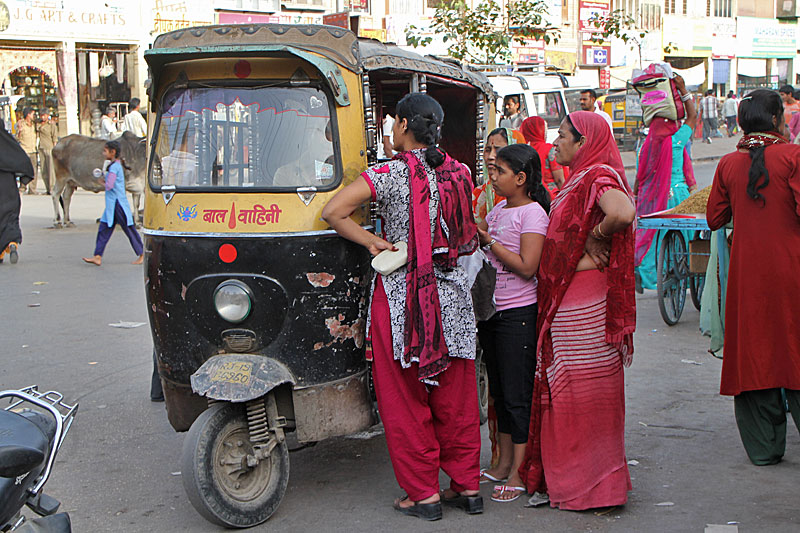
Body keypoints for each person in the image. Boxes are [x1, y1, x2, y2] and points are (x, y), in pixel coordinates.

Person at [321, 93, 482, 521]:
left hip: (402, 299)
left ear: (406, 125)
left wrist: (372, 241)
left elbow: (333, 211)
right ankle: (467, 486)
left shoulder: (388, 173)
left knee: (405, 397)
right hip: (453, 296)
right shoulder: (460, 172)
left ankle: (423, 494)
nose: (391, 129)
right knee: (456, 395)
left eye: (393, 122)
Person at [519, 111, 636, 510]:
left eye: (563, 136)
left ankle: (591, 487)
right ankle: (584, 483)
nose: (555, 143)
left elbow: (622, 212)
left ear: (584, 142)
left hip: (585, 305)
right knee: (570, 391)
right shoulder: (580, 178)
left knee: (581, 391)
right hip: (572, 299)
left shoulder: (598, 175)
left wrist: (597, 236)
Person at [706, 89, 800, 466]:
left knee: (756, 351)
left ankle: (764, 449)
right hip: (792, 269)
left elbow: (715, 218)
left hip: (748, 277)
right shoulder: (793, 157)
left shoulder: (728, 164)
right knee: (794, 345)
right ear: (776, 120)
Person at [476, 143, 549, 503]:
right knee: (501, 394)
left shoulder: (533, 214)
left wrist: (490, 242)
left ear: (520, 178)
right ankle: (504, 463)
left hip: (518, 313)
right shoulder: (499, 210)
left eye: (500, 172)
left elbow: (528, 267)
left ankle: (520, 471)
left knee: (518, 395)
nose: (493, 177)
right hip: (493, 312)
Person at [634, 74, 698, 291]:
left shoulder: (644, 148)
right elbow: (692, 117)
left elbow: (639, 179)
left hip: (652, 201)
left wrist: (636, 199)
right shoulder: (676, 141)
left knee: (653, 237)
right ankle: (684, 274)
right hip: (677, 197)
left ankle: (650, 275)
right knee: (685, 238)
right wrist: (683, 89)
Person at [82, 140, 143, 266]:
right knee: (104, 228)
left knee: (128, 229)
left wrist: (101, 182)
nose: (103, 153)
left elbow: (110, 185)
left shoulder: (114, 167)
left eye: (105, 151)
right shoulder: (114, 165)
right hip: (112, 204)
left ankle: (142, 253)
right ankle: (97, 256)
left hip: (117, 204)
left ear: (112, 152)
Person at [472, 127, 525, 225]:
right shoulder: (478, 194)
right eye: (488, 150)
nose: (491, 156)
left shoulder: (526, 195)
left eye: (499, 150)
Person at [0, 124, 35, 264]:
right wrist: (24, 181)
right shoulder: (8, 142)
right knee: (10, 217)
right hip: (8, 188)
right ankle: (12, 243)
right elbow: (24, 161)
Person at [520, 116, 566, 200]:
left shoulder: (522, 151)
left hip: (530, 197)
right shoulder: (550, 150)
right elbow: (559, 180)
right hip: (551, 197)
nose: (546, 133)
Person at [15, 107, 38, 194]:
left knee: (34, 170)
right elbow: (17, 138)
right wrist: (20, 131)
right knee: (24, 170)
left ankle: (32, 189)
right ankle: (22, 187)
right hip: (25, 150)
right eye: (32, 114)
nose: (34, 116)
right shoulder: (21, 124)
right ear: (28, 114)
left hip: (33, 150)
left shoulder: (34, 124)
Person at [37, 109, 58, 195]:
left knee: (51, 169)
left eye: (44, 115)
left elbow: (55, 137)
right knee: (44, 169)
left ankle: (52, 188)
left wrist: (55, 149)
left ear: (48, 115)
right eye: (41, 115)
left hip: (49, 148)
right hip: (41, 147)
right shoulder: (38, 123)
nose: (42, 117)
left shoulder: (51, 125)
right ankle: (47, 188)